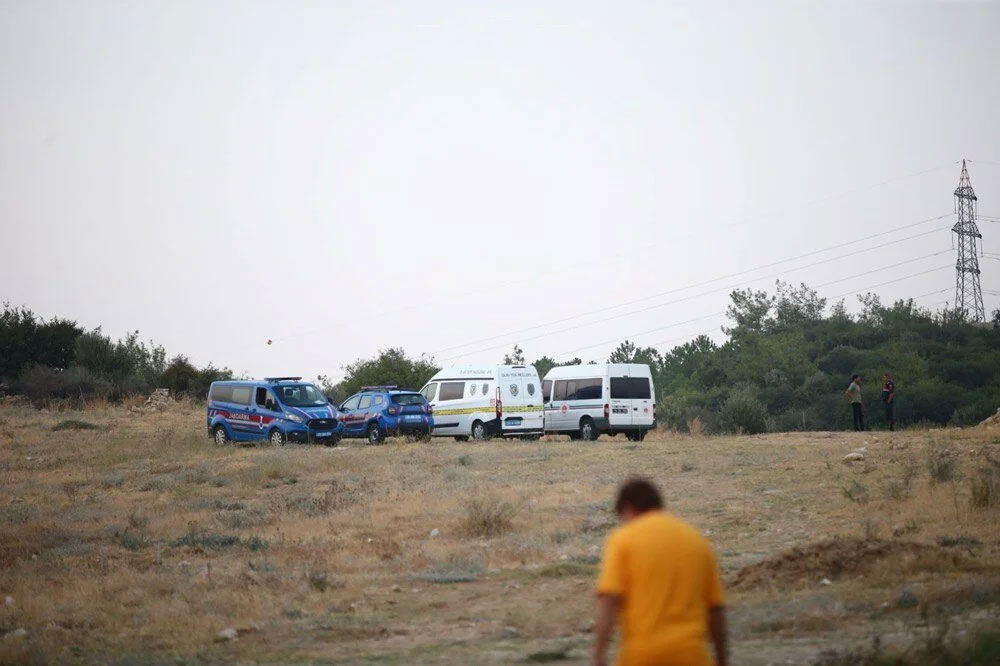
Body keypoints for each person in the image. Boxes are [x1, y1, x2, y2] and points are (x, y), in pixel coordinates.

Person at [593, 478, 727, 666]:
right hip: (692, 655)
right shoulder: (697, 541)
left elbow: (609, 599)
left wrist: (599, 652)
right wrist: (722, 659)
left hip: (641, 656)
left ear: (627, 508)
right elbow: (715, 610)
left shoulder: (623, 540)